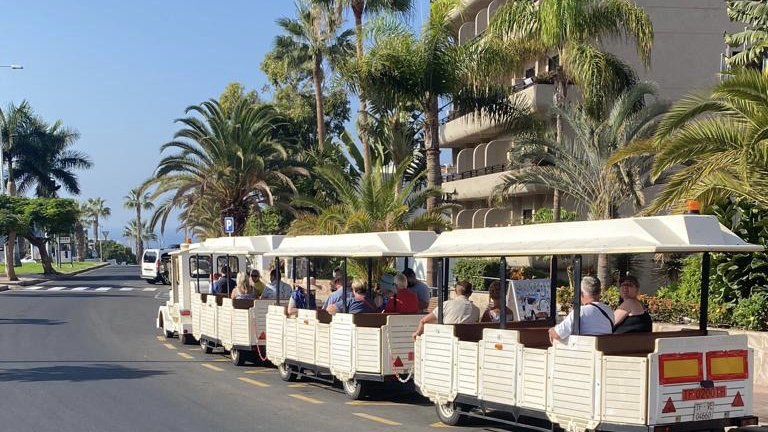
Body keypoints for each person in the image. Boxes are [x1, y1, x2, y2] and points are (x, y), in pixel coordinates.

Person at [549, 276, 613, 342]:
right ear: (599, 292)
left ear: (581, 294)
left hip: (585, 349)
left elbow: (558, 334)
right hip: (605, 349)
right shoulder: (609, 311)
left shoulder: (580, 311)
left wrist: (551, 330)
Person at [412, 281, 480, 340]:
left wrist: (417, 333)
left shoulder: (446, 304)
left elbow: (424, 321)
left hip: (446, 341)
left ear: (455, 292)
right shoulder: (476, 310)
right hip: (466, 344)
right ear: (470, 293)